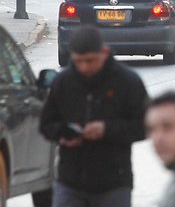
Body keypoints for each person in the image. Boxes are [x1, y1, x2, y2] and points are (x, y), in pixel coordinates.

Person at [40, 25, 149, 207]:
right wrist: (63, 135)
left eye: (90, 61)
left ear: (104, 52)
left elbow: (145, 126)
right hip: (70, 181)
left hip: (113, 182)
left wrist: (107, 129)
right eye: (78, 61)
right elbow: (46, 124)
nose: (84, 67)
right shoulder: (63, 82)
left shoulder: (127, 82)